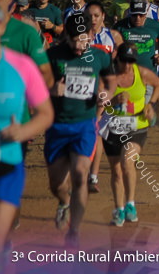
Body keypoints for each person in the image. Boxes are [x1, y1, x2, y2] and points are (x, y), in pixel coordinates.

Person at [0, 0, 53, 260]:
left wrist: (21, 132)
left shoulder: (20, 66)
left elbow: (45, 114)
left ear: (1, 28)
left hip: (6, 165)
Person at [46, 13, 116, 246]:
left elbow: (111, 79)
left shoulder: (99, 56)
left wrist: (107, 94)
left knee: (80, 173)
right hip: (57, 126)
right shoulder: (53, 55)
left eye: (83, 39)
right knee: (56, 184)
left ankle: (73, 231)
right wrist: (51, 89)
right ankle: (64, 202)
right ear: (66, 35)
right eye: (74, 39)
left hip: (84, 125)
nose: (78, 45)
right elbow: (36, 84)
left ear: (92, 36)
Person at [102, 42, 159, 227]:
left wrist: (150, 103)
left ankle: (131, 204)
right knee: (116, 171)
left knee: (128, 160)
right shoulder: (107, 76)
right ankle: (119, 209)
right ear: (117, 59)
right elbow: (99, 100)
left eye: (131, 61)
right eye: (124, 61)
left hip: (136, 125)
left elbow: (158, 84)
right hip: (112, 126)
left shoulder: (141, 73)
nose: (127, 66)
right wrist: (113, 100)